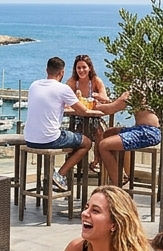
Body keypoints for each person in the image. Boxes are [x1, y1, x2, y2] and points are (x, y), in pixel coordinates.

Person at [25, 57, 105, 193]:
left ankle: (55, 175)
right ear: (61, 72)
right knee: (86, 142)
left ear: (46, 70)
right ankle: (60, 175)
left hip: (29, 139)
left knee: (72, 136)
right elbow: (83, 111)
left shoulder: (34, 85)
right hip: (50, 139)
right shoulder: (62, 88)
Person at [93, 95, 160, 187]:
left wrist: (93, 106)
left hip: (147, 132)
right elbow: (117, 102)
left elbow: (111, 108)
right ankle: (121, 174)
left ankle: (116, 184)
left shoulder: (134, 92)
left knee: (103, 145)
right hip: (140, 128)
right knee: (108, 133)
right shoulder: (141, 91)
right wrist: (104, 100)